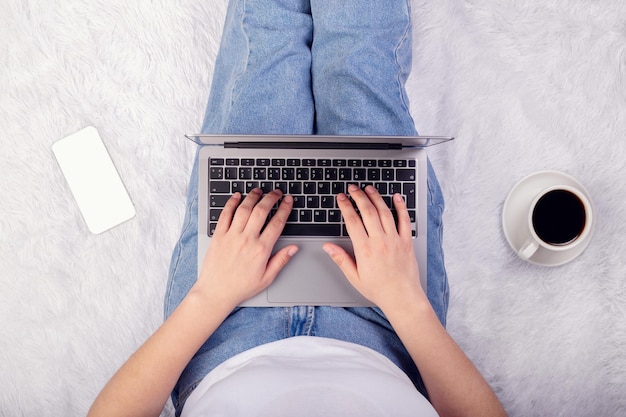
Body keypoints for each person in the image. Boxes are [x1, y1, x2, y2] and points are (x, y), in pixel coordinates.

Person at [87, 0, 507, 416]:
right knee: (360, 62)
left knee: (265, 44)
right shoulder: (400, 308)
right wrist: (404, 300)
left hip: (222, 325)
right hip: (393, 327)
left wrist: (211, 294)